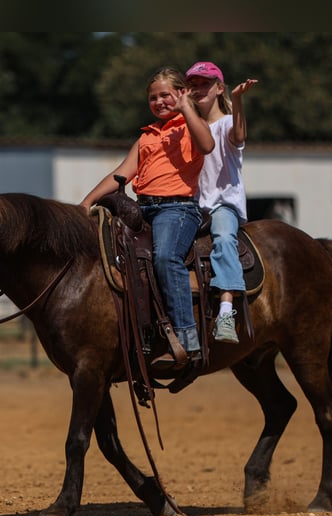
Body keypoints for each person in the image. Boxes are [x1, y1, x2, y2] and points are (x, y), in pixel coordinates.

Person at [81, 67, 214, 361]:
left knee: (166, 257)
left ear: (181, 93)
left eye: (166, 95)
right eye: (153, 97)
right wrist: (86, 202)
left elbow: (207, 145)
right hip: (144, 209)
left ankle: (188, 337)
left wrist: (187, 109)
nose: (159, 101)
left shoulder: (191, 126)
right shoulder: (147, 136)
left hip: (178, 209)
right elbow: (121, 174)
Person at [185, 61, 258, 344]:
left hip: (221, 204)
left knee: (224, 238)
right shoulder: (188, 126)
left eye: (205, 83)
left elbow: (239, 136)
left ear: (219, 88)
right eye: (194, 84)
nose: (199, 88)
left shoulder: (227, 122)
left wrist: (237, 101)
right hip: (191, 204)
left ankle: (227, 312)